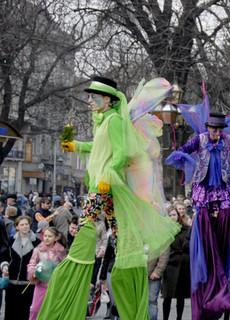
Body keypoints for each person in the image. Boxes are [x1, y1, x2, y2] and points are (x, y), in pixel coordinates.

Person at [39, 76, 180, 319]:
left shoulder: (114, 120)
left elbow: (122, 152)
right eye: (89, 97)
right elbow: (98, 148)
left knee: (84, 227)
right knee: (118, 237)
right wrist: (74, 145)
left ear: (107, 99)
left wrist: (109, 173)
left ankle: (71, 281)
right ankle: (124, 292)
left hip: (103, 187)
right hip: (102, 186)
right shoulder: (103, 122)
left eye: (93, 97)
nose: (89, 101)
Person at [170, 111, 230, 320]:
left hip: (221, 188)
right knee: (204, 219)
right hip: (203, 187)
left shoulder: (228, 141)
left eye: (219, 129)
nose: (216, 133)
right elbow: (184, 150)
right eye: (213, 129)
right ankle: (207, 260)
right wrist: (180, 155)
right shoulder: (201, 139)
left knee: (224, 217)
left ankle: (220, 269)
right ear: (208, 128)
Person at [27, 227, 67, 319]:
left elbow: (64, 267)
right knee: (35, 309)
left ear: (56, 238)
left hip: (55, 286)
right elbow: (31, 264)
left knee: (52, 310)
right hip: (41, 285)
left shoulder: (61, 250)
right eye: (45, 236)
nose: (47, 238)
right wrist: (33, 272)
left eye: (50, 236)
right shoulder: (38, 250)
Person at [4, 216, 41, 319]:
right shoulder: (10, 240)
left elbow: (40, 260)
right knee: (11, 311)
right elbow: (5, 256)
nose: (25, 226)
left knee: (26, 311)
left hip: (28, 283)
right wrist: (5, 266)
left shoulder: (37, 242)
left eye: (26, 224)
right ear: (17, 227)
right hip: (12, 282)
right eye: (22, 224)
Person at [162, 207, 191, 320]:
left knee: (181, 296)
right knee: (167, 296)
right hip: (169, 264)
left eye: (174, 215)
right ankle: (165, 318)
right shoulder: (164, 230)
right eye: (170, 215)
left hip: (183, 263)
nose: (172, 217)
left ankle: (179, 317)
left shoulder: (186, 228)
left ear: (178, 216)